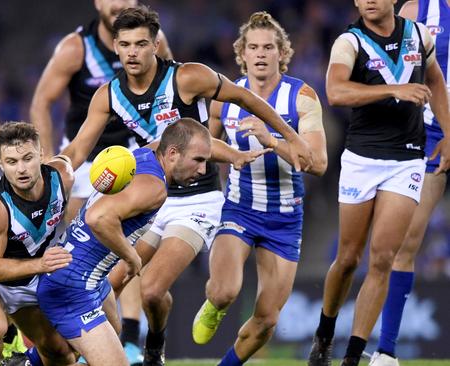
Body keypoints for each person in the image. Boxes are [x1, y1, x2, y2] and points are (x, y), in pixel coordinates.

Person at [60, 6, 313, 365]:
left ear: (155, 45)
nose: (133, 52)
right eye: (126, 44)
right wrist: (55, 167)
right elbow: (78, 148)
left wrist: (290, 136)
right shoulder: (107, 95)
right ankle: (106, 350)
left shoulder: (188, 77)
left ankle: (152, 350)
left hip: (198, 200)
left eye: (142, 43)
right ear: (115, 46)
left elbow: (245, 99)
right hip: (151, 196)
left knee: (150, 288)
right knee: (111, 283)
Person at [307, 0, 450, 365]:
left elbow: (435, 78)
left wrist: (448, 131)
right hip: (362, 160)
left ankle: (356, 357)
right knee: (347, 258)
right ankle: (325, 332)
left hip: (407, 159)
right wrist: (393, 90)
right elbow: (336, 92)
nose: (369, 0)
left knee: (383, 258)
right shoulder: (349, 42)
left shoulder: (418, 35)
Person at [30, 1, 173, 361]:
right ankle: (51, 339)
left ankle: (127, 338)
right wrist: (51, 161)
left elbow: (169, 85)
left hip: (131, 160)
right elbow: (41, 102)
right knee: (81, 248)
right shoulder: (74, 48)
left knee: (125, 242)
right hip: (85, 159)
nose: (118, 3)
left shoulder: (152, 40)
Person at [190, 12, 328, 366]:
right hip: (239, 208)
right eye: (254, 47)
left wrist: (274, 141)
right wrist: (232, 156)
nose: (261, 54)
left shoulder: (302, 97)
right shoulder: (224, 98)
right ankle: (214, 304)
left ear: (282, 53)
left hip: (284, 218)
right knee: (224, 292)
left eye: (269, 47)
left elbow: (319, 163)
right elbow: (206, 146)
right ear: (242, 54)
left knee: (267, 320)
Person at [37, 118, 212, 366]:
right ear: (172, 153)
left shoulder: (143, 155)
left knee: (109, 327)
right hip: (73, 286)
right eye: (198, 160)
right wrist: (132, 257)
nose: (204, 170)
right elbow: (97, 217)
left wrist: (236, 155)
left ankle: (29, 360)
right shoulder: (155, 188)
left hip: (88, 280)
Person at [366, 1, 450, 365]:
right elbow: (395, 68)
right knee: (406, 241)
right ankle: (387, 352)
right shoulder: (418, 8)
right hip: (431, 134)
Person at [0, 122, 76, 365]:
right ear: (1, 165)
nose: (21, 169)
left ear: (41, 155)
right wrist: (41, 264)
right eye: (11, 162)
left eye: (28, 158)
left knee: (60, 353)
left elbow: (80, 147)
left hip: (28, 280)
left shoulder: (62, 176)